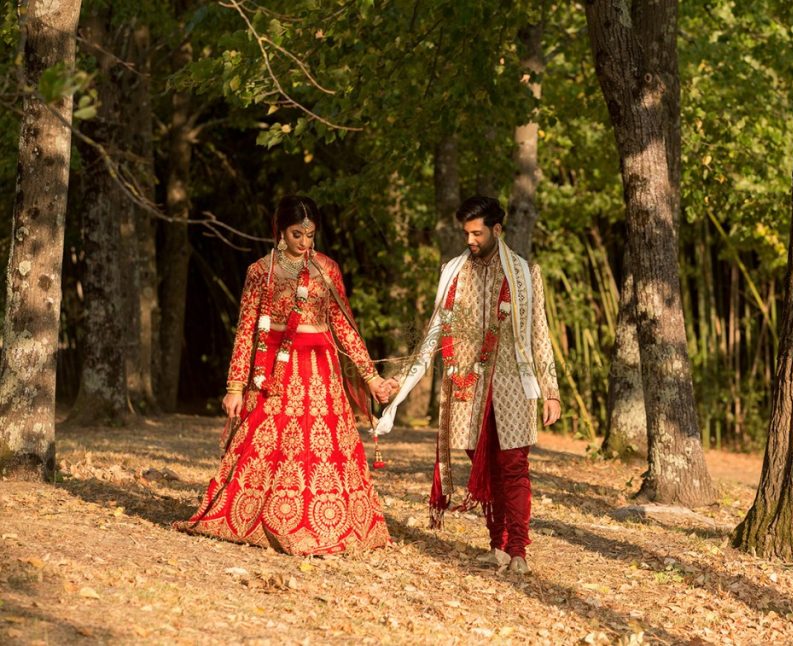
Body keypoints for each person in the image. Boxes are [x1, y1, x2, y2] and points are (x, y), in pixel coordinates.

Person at [175, 195, 396, 555]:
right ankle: (264, 517)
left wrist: (371, 379)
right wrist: (234, 387)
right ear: (280, 230)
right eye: (297, 234)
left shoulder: (327, 269)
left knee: (318, 450)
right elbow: (247, 329)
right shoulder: (260, 272)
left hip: (320, 370)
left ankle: (327, 525)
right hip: (273, 371)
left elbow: (343, 327)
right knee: (269, 444)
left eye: (311, 235)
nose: (305, 243)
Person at [375, 195, 561, 573]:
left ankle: (519, 549)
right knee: (481, 463)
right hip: (467, 383)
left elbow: (540, 334)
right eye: (466, 233)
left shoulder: (525, 274)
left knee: (512, 465)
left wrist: (551, 390)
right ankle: (498, 546)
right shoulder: (454, 272)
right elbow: (434, 331)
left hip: (511, 381)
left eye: (477, 233)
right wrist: (405, 378)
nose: (471, 240)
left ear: (497, 229)